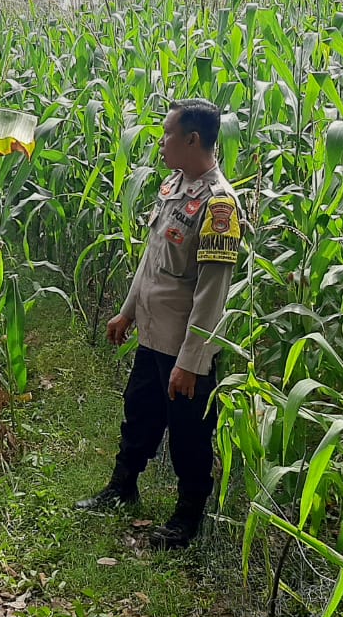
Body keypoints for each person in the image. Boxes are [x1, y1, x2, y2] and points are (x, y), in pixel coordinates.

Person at [76, 98, 242, 549]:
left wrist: (191, 362)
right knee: (140, 414)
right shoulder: (175, 188)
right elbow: (153, 260)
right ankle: (122, 487)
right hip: (152, 335)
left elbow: (212, 295)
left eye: (168, 134)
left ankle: (186, 522)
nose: (161, 143)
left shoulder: (218, 205)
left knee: (189, 437)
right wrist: (128, 311)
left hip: (184, 349)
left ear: (192, 139)